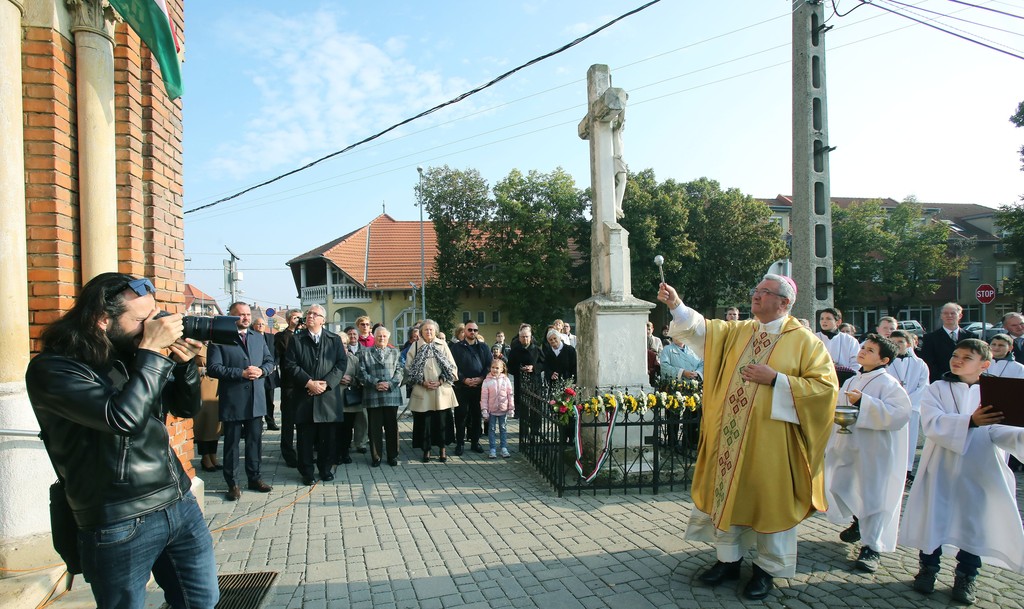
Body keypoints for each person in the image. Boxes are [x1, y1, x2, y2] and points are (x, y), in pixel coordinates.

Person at [25, 272, 218, 608]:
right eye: (142, 320)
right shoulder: (54, 370)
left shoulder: (134, 355)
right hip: (119, 518)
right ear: (102, 320)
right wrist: (153, 354)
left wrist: (184, 366)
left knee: (202, 600)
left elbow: (185, 408)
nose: (152, 327)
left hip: (177, 501)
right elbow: (122, 418)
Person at [658, 274, 838, 600]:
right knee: (729, 495)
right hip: (730, 438)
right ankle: (728, 560)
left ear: (785, 302)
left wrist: (778, 381)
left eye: (764, 293)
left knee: (770, 500)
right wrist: (676, 304)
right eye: (756, 291)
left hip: (772, 443)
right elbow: (703, 331)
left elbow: (825, 390)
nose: (756, 297)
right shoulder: (742, 330)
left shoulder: (805, 342)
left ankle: (767, 570)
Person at [898, 339, 1024, 605]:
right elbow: (932, 423)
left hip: (981, 467)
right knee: (935, 517)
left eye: (966, 358)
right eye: (955, 355)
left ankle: (966, 576)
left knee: (973, 522)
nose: (957, 360)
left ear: (984, 364)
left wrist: (1019, 436)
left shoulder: (994, 391)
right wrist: (969, 421)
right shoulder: (937, 388)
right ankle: (928, 569)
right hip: (941, 465)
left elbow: (1002, 430)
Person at [824, 334, 912, 573]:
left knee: (873, 497)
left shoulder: (889, 384)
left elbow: (901, 414)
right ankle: (859, 522)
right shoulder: (852, 380)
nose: (862, 351)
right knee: (838, 485)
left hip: (875, 450)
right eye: (863, 347)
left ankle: (871, 548)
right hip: (849, 445)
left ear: (884, 360)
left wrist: (865, 402)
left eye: (870, 350)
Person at [208, 302, 275, 501]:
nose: (246, 318)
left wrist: (262, 370)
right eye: (241, 315)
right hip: (233, 400)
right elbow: (213, 368)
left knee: (255, 442)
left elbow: (269, 361)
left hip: (256, 400)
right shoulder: (220, 339)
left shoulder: (257, 337)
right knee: (232, 444)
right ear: (230, 316)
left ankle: (254, 478)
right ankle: (233, 484)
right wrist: (241, 373)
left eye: (248, 314)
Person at [283, 305, 347, 485]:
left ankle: (325, 469)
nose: (310, 316)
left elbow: (341, 364)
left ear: (322, 320)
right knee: (305, 439)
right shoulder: (297, 340)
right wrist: (309, 382)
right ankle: (307, 472)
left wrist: (326, 384)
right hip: (305, 396)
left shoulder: (334, 340)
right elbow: (290, 365)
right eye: (308, 313)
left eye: (314, 314)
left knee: (327, 438)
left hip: (327, 397)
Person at [405, 319, 458, 462]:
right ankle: (426, 450)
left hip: (441, 391)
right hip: (423, 390)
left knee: (442, 421)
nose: (428, 332)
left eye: (431, 330)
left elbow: (451, 366)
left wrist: (441, 380)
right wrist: (422, 382)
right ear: (421, 332)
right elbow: (409, 369)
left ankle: (442, 449)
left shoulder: (443, 345)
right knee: (425, 422)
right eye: (425, 330)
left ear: (435, 331)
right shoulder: (415, 346)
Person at [887, 330, 930, 482]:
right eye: (892, 342)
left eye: (900, 342)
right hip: (891, 406)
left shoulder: (920, 364)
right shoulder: (886, 362)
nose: (896, 345)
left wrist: (908, 402)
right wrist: (898, 402)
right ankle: (892, 469)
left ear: (908, 343)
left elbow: (923, 386)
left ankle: (907, 469)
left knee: (910, 439)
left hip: (912, 408)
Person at [359, 325, 403, 467]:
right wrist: (376, 383)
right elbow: (361, 373)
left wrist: (390, 384)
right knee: (374, 428)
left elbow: (400, 371)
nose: (382, 338)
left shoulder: (395, 352)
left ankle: (392, 456)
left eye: (384, 336)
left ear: (388, 337)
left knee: (392, 427)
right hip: (373, 395)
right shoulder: (365, 353)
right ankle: (376, 456)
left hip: (391, 395)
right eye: (379, 336)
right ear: (374, 337)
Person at [451, 321, 492, 456]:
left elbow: (488, 365)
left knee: (476, 416)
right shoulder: (456, 348)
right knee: (461, 415)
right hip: (462, 387)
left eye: (475, 330)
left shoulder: (484, 347)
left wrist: (481, 378)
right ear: (465, 331)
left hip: (479, 387)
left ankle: (475, 442)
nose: (472, 332)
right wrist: (464, 379)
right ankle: (460, 443)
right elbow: (453, 366)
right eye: (470, 330)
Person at [920, 303, 977, 383]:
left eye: (953, 313)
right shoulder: (930, 338)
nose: (949, 316)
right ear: (941, 316)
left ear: (960, 316)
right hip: (942, 381)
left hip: (967, 382)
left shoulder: (972, 337)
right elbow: (928, 363)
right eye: (945, 313)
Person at [275, 309, 303, 467]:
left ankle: (303, 451)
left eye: (300, 317)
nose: (298, 320)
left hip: (303, 383)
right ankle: (288, 454)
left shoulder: (303, 335)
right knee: (288, 422)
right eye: (295, 317)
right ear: (288, 320)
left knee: (302, 421)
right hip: (289, 385)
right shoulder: (282, 336)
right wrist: (294, 331)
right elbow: (286, 353)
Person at [337, 326, 367, 464]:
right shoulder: (329, 358)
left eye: (344, 343)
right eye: (339, 343)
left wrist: (352, 379)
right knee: (336, 429)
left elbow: (360, 378)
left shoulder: (353, 359)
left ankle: (344, 452)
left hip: (349, 400)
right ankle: (335, 453)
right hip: (334, 399)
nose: (342, 346)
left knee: (348, 428)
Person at [508, 324, 544, 430]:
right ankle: (523, 431)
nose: (525, 339)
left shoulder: (537, 350)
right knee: (523, 407)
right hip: (521, 381)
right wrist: (520, 369)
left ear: (531, 337)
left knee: (536, 407)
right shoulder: (514, 351)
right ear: (519, 338)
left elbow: (543, 364)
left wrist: (534, 368)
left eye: (527, 336)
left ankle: (535, 430)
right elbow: (509, 366)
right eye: (523, 337)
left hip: (535, 381)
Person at [816, 307, 860, 387]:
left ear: (838, 322)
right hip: (819, 381)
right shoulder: (813, 338)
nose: (824, 321)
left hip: (844, 382)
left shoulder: (849, 340)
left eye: (828, 318)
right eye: (822, 318)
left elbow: (856, 363)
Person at [194, 345, 222, 472]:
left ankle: (213, 456)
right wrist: (200, 370)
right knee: (203, 423)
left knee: (215, 425)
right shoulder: (195, 342)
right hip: (202, 386)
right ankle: (205, 457)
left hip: (217, 385)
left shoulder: (215, 343)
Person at [481, 359, 515, 459]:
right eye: (493, 367)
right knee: (491, 430)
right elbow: (484, 397)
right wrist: (484, 410)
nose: (494, 370)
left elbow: (510, 395)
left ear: (502, 369)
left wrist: (511, 408)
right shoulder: (486, 381)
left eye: (497, 368)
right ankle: (492, 449)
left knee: (503, 429)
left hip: (503, 410)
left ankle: (504, 448)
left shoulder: (506, 380)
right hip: (491, 410)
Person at [252, 317, 279, 431]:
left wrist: (275, 365)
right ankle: (258, 422)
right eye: (258, 324)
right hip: (256, 374)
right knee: (256, 399)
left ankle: (270, 421)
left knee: (270, 399)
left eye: (263, 324)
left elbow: (277, 353)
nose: (261, 326)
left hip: (270, 374)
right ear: (254, 326)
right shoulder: (250, 338)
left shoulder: (271, 338)